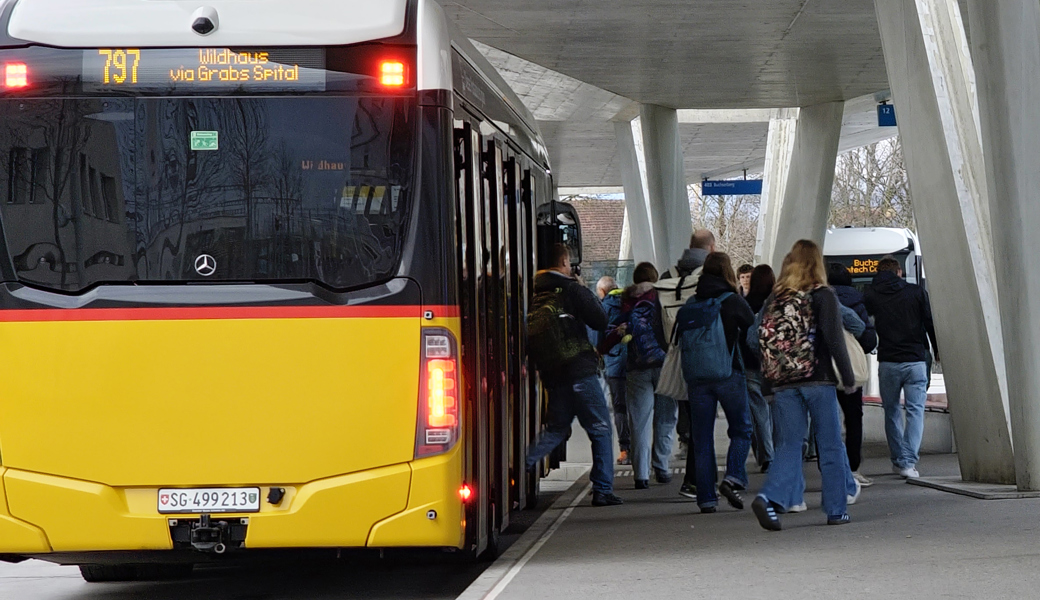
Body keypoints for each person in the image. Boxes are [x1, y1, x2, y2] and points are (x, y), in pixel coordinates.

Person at [751, 240, 860, 531]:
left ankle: (769, 496)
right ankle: (836, 510)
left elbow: (762, 343)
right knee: (830, 445)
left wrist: (766, 385)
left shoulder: (775, 298)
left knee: (788, 445)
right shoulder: (823, 295)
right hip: (818, 379)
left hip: (783, 383)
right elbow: (835, 340)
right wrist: (848, 380)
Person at [525, 245, 623, 507]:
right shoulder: (571, 289)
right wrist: (580, 287)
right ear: (565, 261)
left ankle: (519, 466)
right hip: (580, 371)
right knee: (601, 429)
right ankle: (602, 489)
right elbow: (600, 320)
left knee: (557, 429)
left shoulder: (533, 292)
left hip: (553, 375)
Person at [676, 252, 755, 513]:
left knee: (701, 438)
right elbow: (752, 328)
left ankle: (707, 498)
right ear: (727, 272)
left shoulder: (691, 303)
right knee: (742, 428)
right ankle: (733, 476)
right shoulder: (732, 301)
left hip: (697, 379)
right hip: (728, 373)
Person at [864, 256, 939, 479]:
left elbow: (863, 321)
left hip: (888, 361)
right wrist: (937, 350)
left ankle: (898, 459)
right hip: (915, 360)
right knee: (916, 411)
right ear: (899, 272)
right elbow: (929, 322)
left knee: (892, 411)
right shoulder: (915, 292)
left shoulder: (872, 294)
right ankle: (908, 461)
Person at [603, 262, 677, 489]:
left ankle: (641, 475)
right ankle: (662, 467)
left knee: (639, 422)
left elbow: (610, 333)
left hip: (636, 367)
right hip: (665, 366)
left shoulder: (625, 300)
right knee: (666, 419)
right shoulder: (665, 296)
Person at [656, 228, 715, 498]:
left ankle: (698, 479)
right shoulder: (712, 276)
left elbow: (658, 324)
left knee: (691, 417)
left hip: (678, 354)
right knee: (707, 422)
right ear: (711, 248)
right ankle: (698, 480)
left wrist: (670, 348)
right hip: (709, 358)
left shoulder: (667, 276)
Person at [828, 263, 878, 487]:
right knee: (853, 417)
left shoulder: (816, 298)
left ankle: (829, 468)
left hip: (822, 368)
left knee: (825, 420)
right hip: (849, 368)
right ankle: (853, 467)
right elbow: (865, 335)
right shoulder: (857, 303)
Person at [744, 265, 776, 473]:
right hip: (773, 363)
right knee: (776, 408)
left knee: (758, 412)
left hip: (749, 364)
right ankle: (781, 450)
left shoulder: (744, 304)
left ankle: (765, 454)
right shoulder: (776, 304)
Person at [597, 276, 631, 465]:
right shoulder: (631, 303)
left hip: (615, 364)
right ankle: (642, 450)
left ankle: (625, 449)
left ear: (602, 292)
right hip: (636, 362)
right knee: (638, 407)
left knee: (619, 408)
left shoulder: (602, 308)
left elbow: (598, 340)